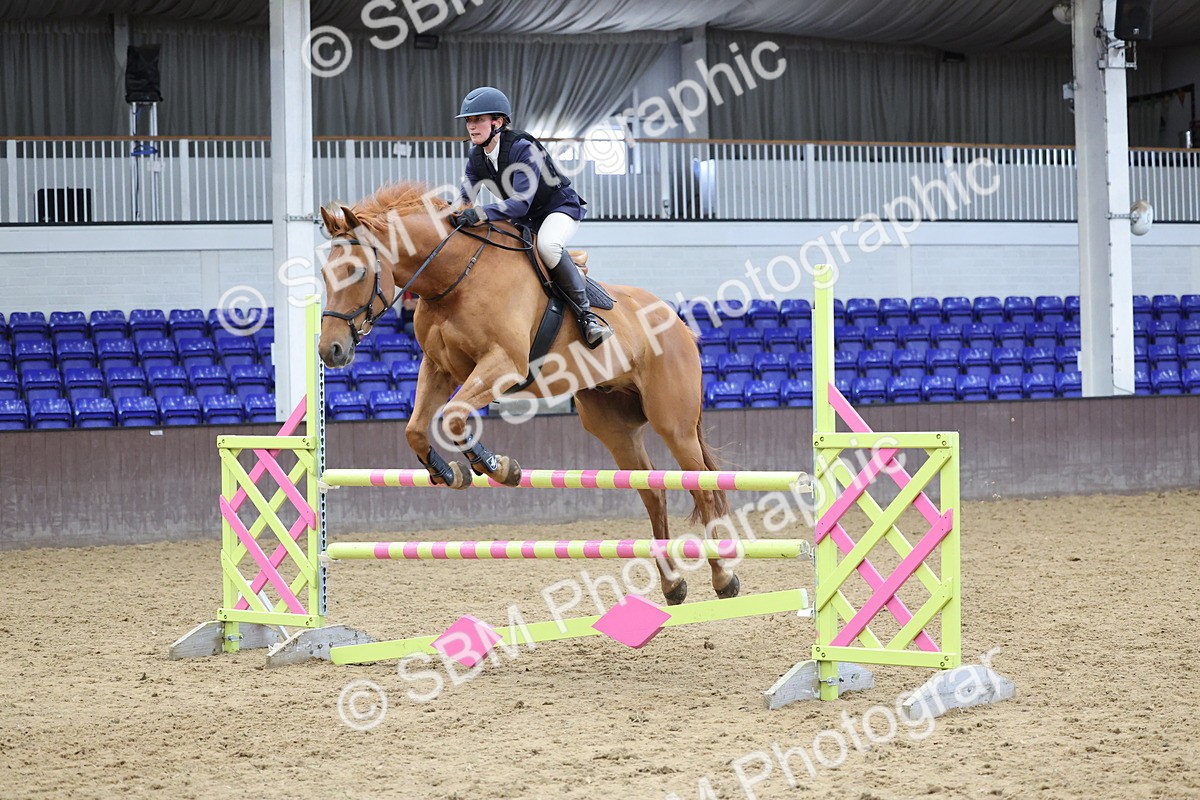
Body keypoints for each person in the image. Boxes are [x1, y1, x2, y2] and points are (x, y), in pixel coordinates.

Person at [450, 86, 611, 348]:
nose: (471, 126)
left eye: (478, 119)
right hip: (526, 218)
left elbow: (520, 205)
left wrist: (479, 213)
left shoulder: (522, 148)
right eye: (469, 121)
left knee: (547, 246)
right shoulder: (475, 156)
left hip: (557, 209)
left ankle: (586, 316)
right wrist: (451, 217)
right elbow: (465, 199)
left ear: (498, 122)